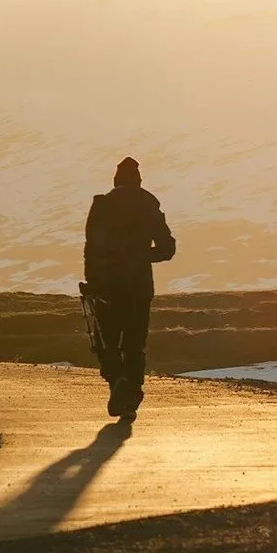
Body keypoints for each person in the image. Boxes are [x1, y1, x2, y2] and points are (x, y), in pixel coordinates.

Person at [82, 156, 175, 419]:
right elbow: (168, 248)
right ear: (139, 180)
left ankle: (117, 382)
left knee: (106, 341)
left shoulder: (101, 206)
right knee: (135, 343)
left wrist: (91, 281)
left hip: (106, 286)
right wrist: (141, 257)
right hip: (139, 286)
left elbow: (91, 249)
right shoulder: (149, 204)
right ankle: (132, 390)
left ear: (115, 180)